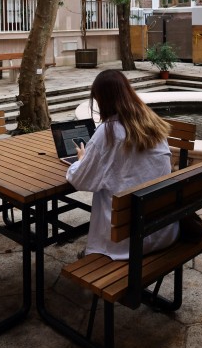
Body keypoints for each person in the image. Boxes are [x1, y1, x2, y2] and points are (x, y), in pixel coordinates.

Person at [65, 69, 178, 259]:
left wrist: (82, 159)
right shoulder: (152, 122)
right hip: (163, 230)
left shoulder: (107, 132)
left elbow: (79, 180)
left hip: (126, 242)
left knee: (105, 189)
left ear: (101, 99)